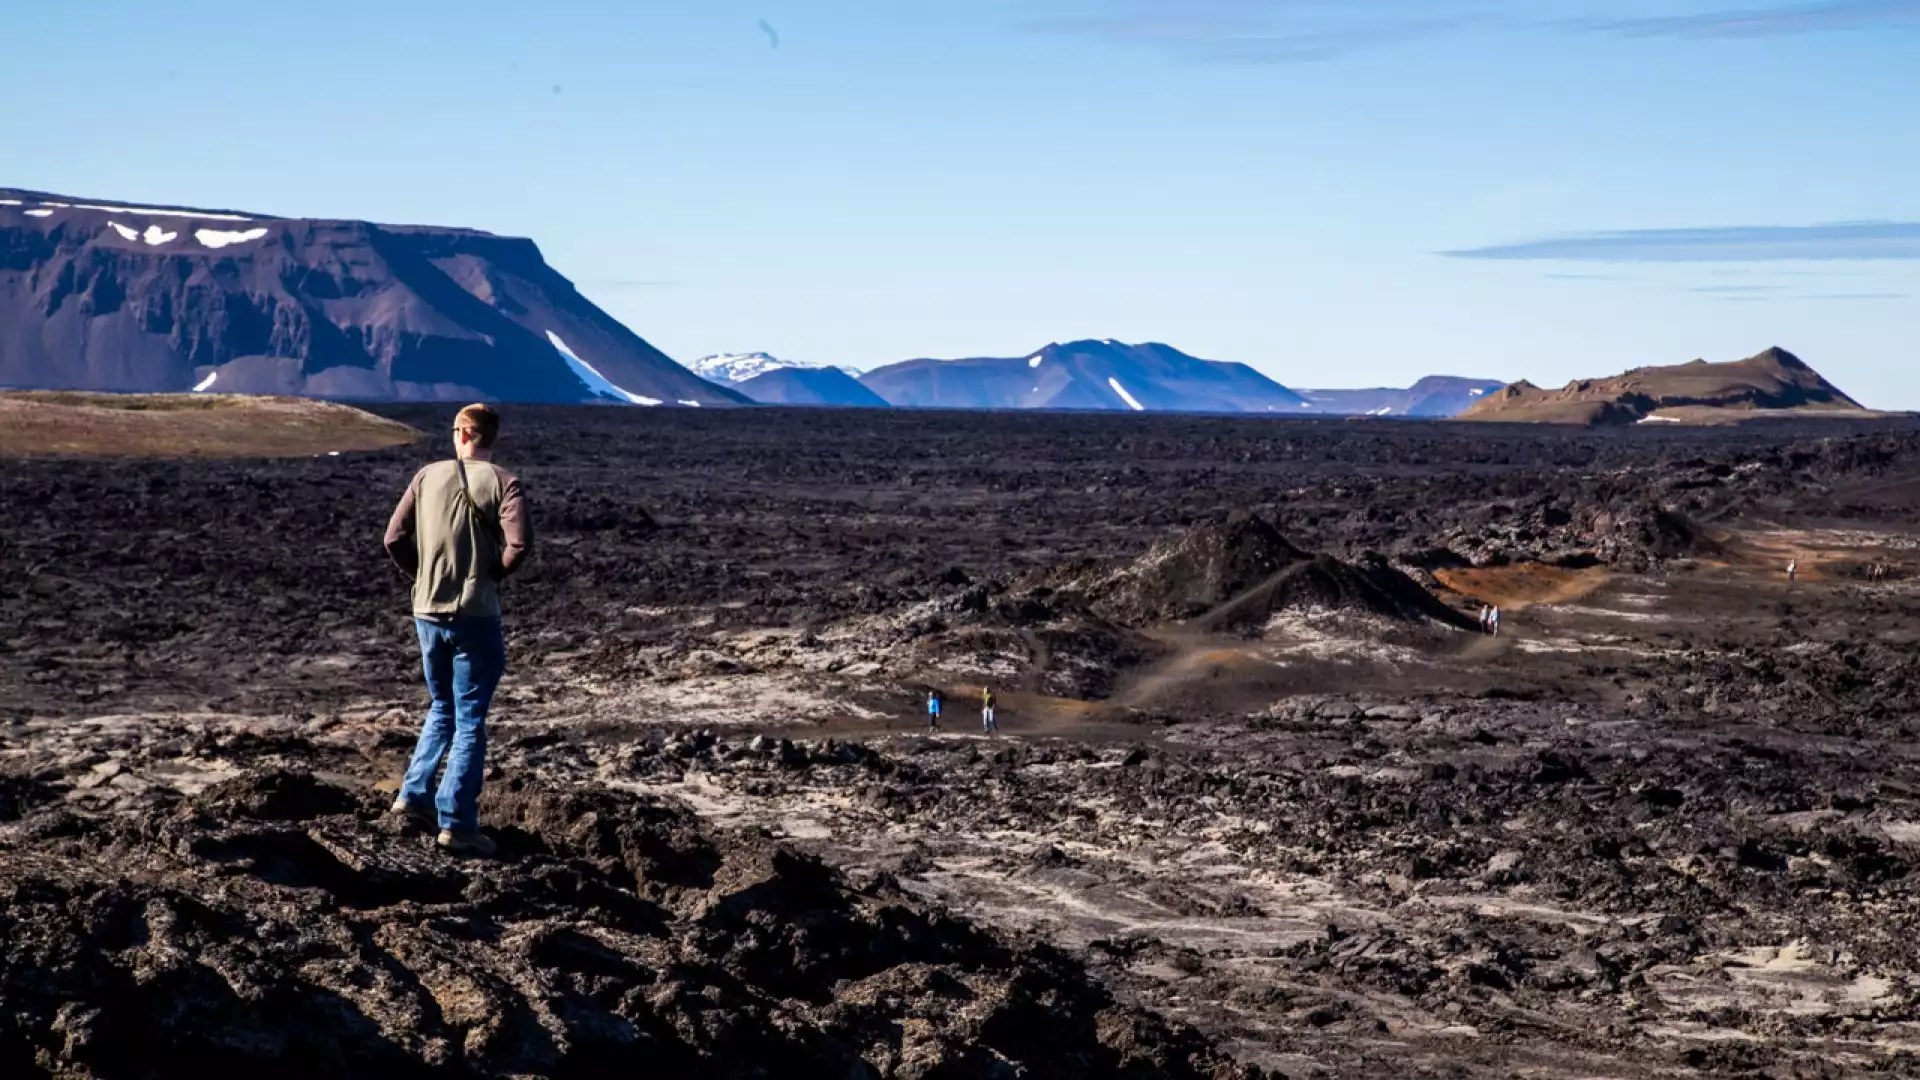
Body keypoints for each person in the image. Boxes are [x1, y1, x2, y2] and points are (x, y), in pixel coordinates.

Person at [384, 404, 532, 856]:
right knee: (470, 719)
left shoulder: (426, 476)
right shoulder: (504, 482)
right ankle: (458, 823)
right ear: (488, 437)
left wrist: (423, 576)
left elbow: (393, 538)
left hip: (427, 610)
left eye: (454, 430)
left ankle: (413, 797)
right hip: (475, 614)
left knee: (442, 705)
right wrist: (490, 577)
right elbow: (520, 544)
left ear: (465, 433)